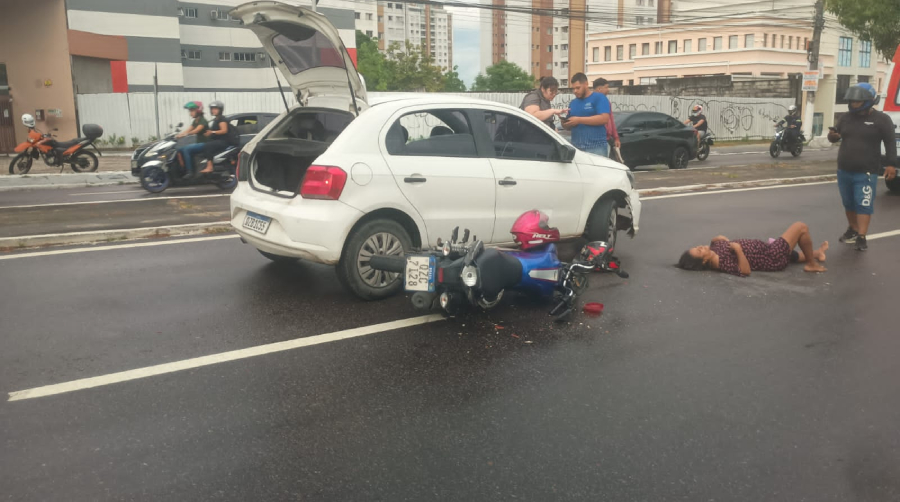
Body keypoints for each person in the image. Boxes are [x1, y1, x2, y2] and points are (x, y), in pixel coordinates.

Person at [827, 82, 898, 251]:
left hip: (866, 170)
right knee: (848, 203)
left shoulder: (882, 119)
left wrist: (891, 164)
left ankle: (862, 236)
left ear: (868, 101)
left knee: (863, 203)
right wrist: (832, 136)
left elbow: (890, 142)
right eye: (851, 101)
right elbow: (834, 137)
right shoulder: (845, 117)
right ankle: (853, 228)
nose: (853, 104)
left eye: (857, 101)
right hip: (844, 168)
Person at [677, 222, 828, 276]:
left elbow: (714, 244)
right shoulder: (722, 263)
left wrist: (715, 240)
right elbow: (745, 271)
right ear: (704, 261)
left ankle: (816, 254)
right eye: (699, 251)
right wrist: (738, 250)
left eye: (697, 246)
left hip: (765, 249)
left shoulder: (713, 251)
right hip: (771, 257)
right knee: (800, 227)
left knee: (792, 255)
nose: (700, 247)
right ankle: (812, 265)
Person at [562, 73, 611, 157]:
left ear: (586, 84)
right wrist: (565, 123)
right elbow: (568, 126)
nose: (575, 91)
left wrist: (579, 120)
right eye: (573, 88)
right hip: (577, 148)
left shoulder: (599, 98)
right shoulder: (573, 103)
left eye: (578, 88)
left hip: (596, 147)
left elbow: (604, 118)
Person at [197, 100, 238, 175]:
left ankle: (210, 167)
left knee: (208, 146)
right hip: (219, 140)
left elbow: (224, 131)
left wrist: (212, 132)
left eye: (215, 109)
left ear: (220, 110)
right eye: (212, 109)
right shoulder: (216, 119)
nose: (213, 110)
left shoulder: (222, 119)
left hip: (224, 141)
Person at [175, 101, 208, 178]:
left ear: (198, 110)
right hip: (199, 143)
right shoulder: (195, 121)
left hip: (205, 144)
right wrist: (179, 135)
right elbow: (188, 130)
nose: (190, 113)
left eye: (192, 111)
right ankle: (183, 168)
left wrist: (185, 134)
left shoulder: (203, 121)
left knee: (186, 149)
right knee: (179, 150)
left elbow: (196, 130)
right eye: (190, 111)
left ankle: (190, 172)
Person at [593, 78, 621, 158]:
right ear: (599, 89)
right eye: (606, 87)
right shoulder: (591, 102)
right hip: (597, 140)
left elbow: (611, 120)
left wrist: (616, 138)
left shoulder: (606, 102)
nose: (608, 90)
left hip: (608, 139)